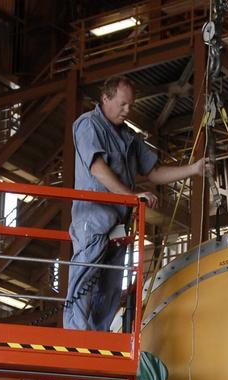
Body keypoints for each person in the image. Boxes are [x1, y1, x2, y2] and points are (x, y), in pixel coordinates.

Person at [66, 74, 211, 332]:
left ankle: (98, 343)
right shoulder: (88, 125)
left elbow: (154, 172)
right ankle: (75, 342)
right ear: (105, 98)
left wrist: (194, 169)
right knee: (84, 286)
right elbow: (97, 168)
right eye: (122, 104)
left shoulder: (129, 138)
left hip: (119, 227)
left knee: (110, 290)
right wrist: (131, 196)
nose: (127, 110)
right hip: (94, 221)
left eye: (131, 105)